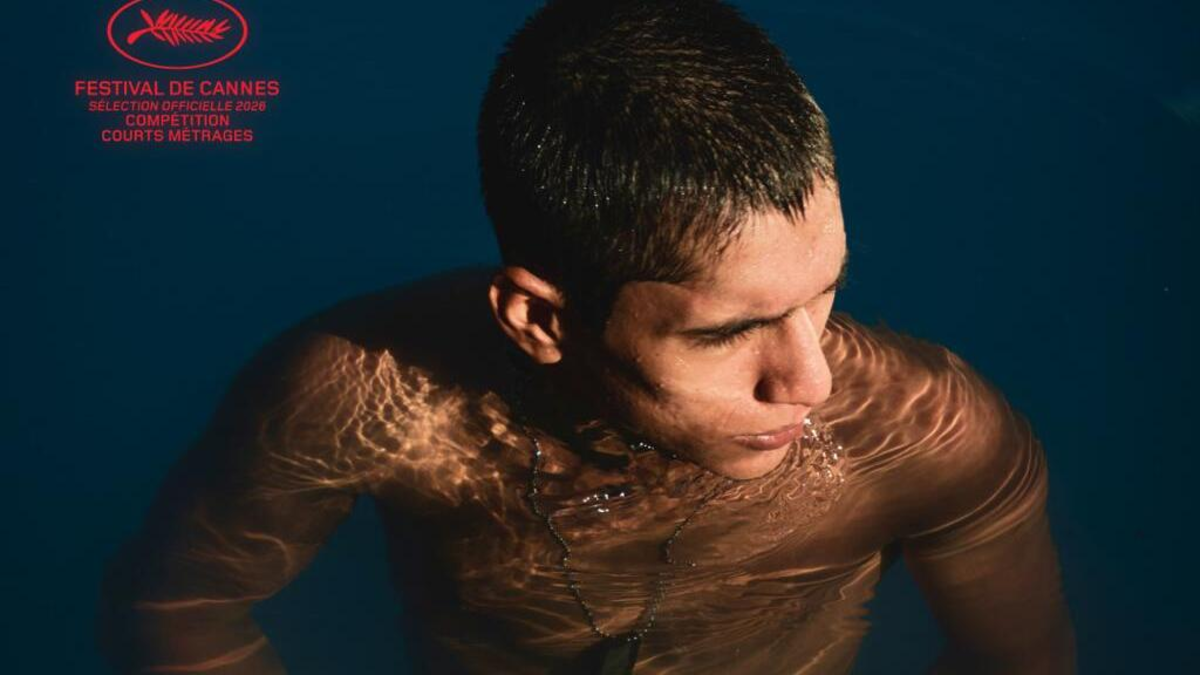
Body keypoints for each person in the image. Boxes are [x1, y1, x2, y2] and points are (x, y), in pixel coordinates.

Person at [96, 1, 1076, 673]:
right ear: (540, 321)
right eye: (729, 332)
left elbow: (1018, 664)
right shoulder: (371, 395)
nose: (809, 380)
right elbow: (183, 610)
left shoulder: (928, 436)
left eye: (825, 296)